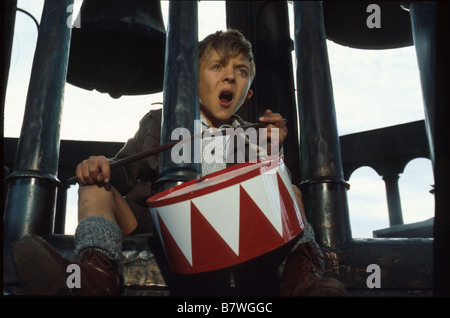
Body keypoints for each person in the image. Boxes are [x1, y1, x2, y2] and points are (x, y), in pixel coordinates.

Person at [13, 30, 346, 296]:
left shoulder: (252, 136)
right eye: (217, 67)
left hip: (236, 226)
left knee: (289, 192)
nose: (229, 77)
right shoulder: (159, 124)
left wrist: (271, 152)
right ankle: (94, 276)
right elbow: (121, 173)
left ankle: (303, 279)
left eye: (240, 72)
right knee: (95, 188)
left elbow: (268, 194)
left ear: (247, 94)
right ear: (192, 83)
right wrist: (99, 166)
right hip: (160, 226)